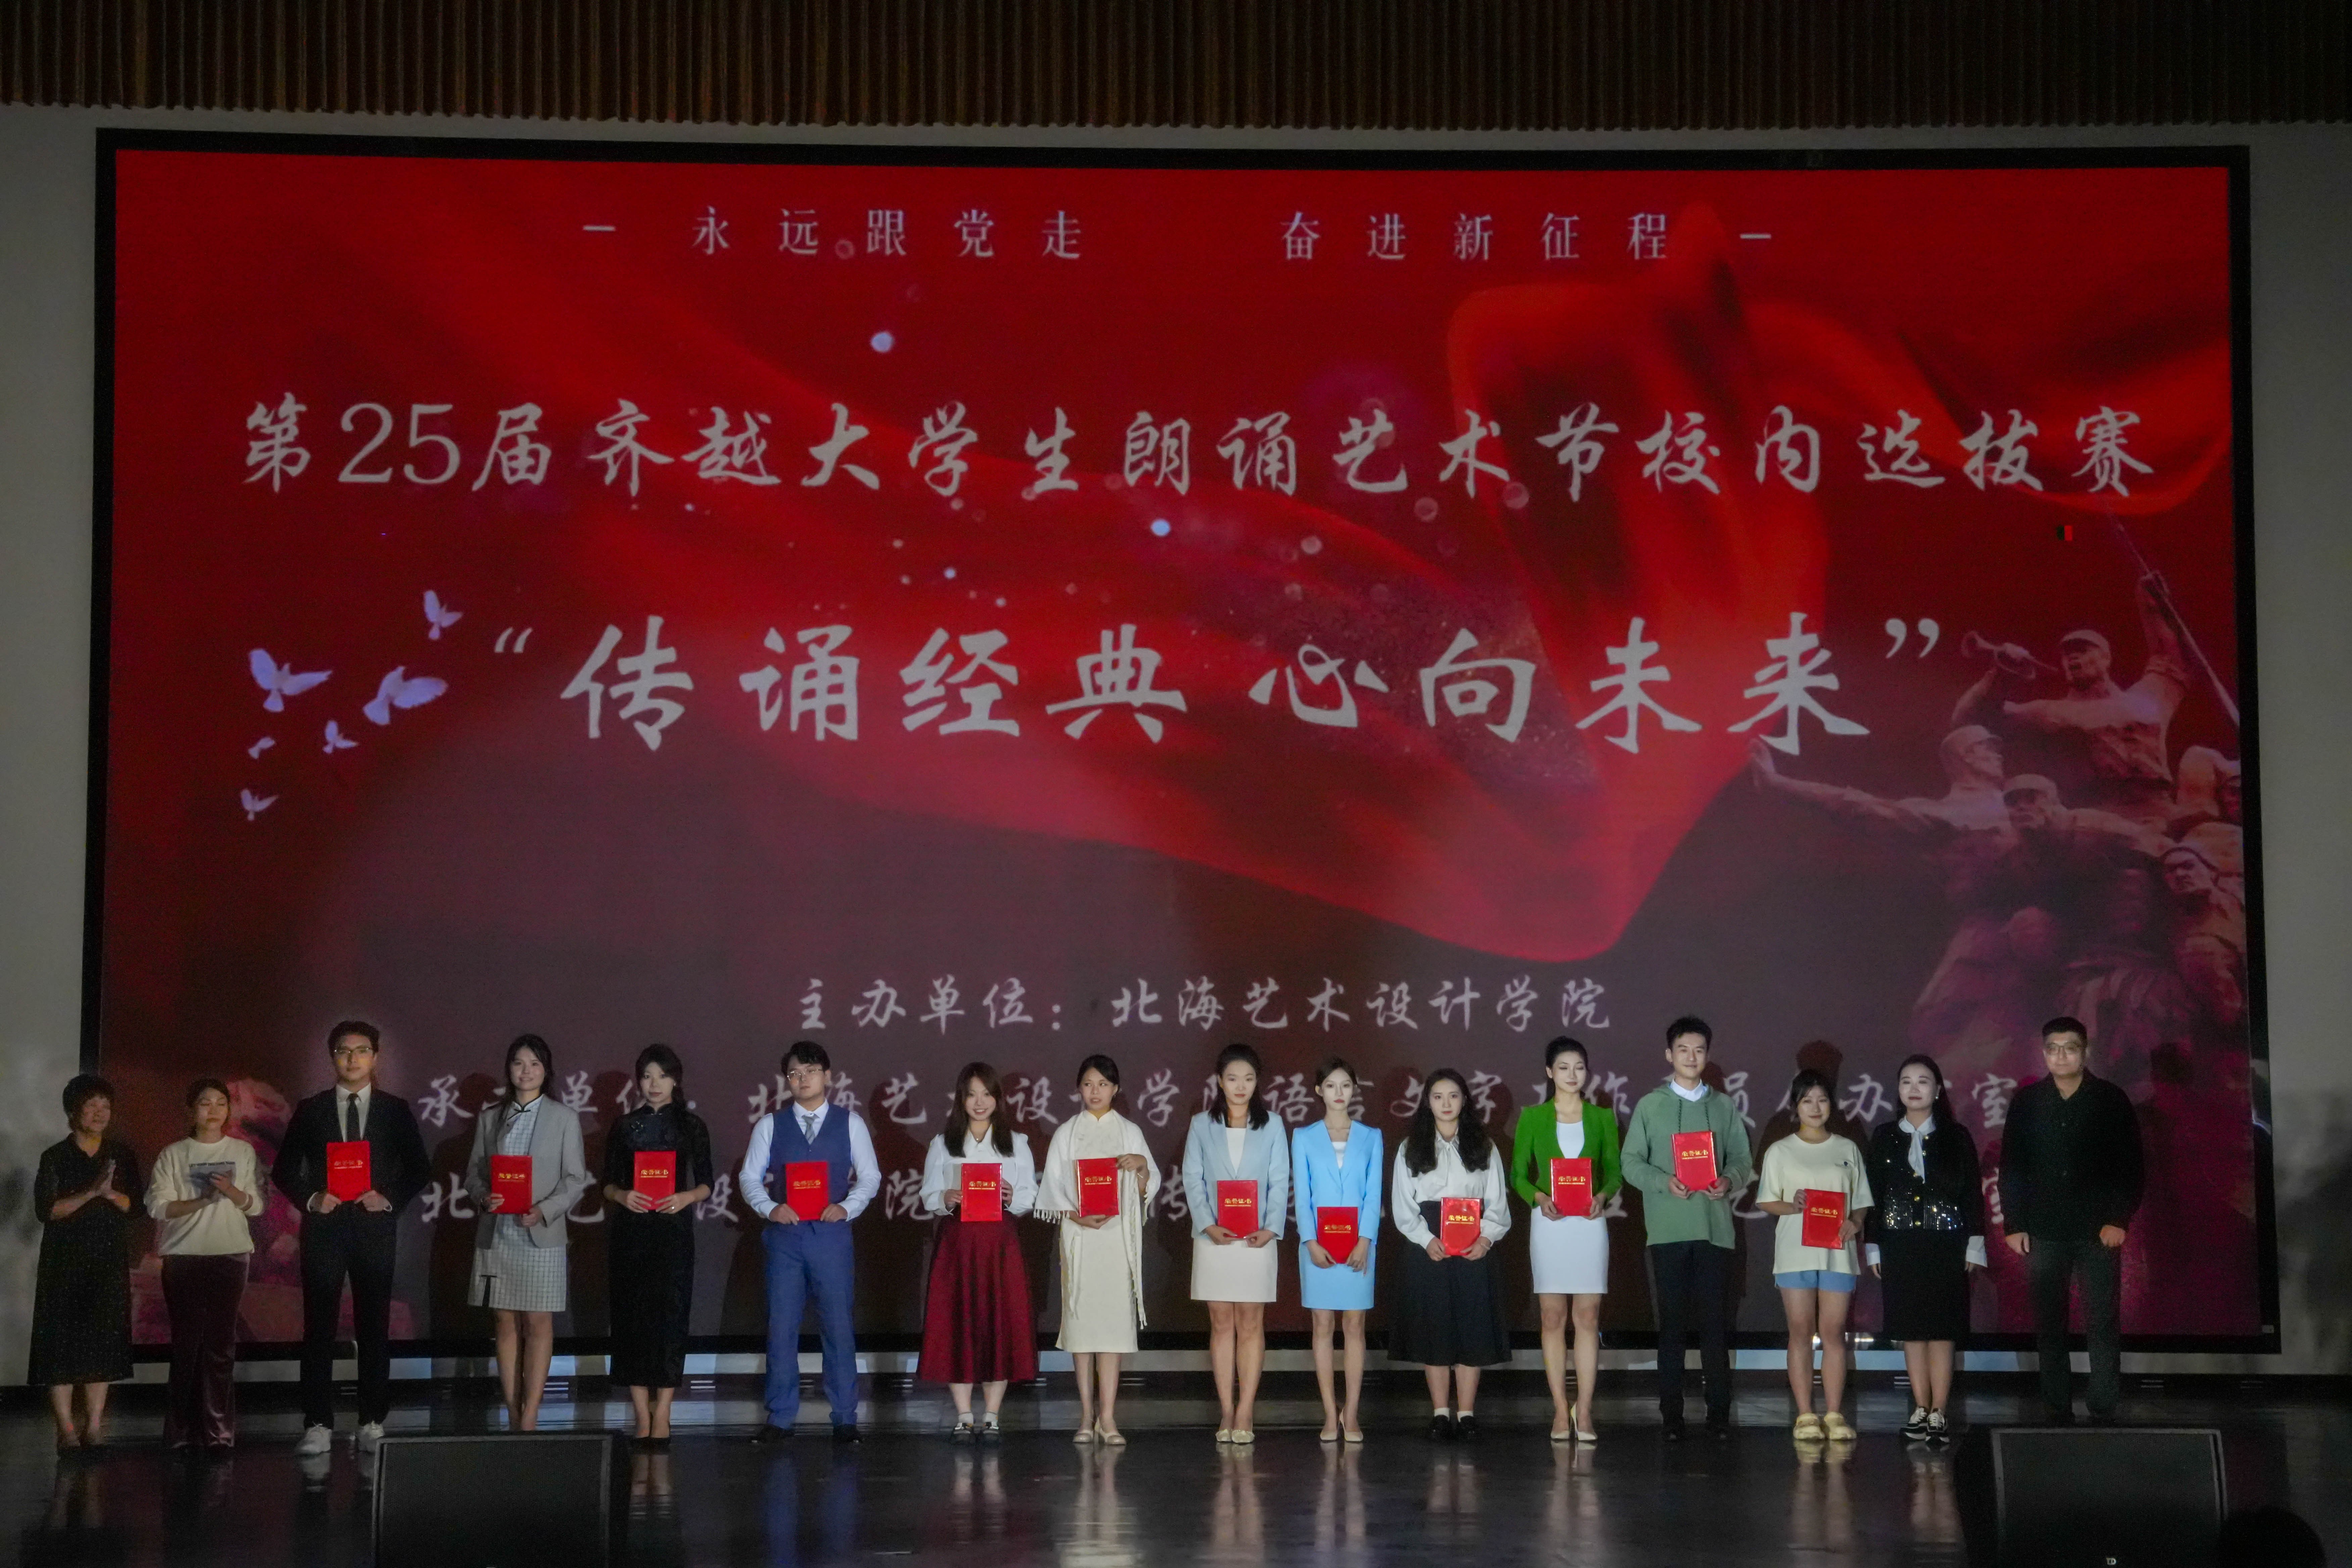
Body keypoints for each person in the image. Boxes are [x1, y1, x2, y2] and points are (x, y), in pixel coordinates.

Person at [271, 1020, 431, 1457]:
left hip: (373, 1229)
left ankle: (372, 1420)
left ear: (375, 1057)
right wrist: (312, 1198)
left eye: (361, 1051)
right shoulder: (312, 1109)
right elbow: (284, 1170)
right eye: (344, 1051)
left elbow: (419, 1168)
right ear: (333, 1057)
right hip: (324, 1229)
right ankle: (318, 1423)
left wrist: (388, 1197)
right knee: (319, 1328)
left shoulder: (394, 1109)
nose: (353, 1059)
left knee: (374, 1326)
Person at [1953, 574, 2192, 829]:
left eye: (2083, 651)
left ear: (2107, 658)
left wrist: (2151, 604)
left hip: (2165, 813)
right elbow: (1971, 720)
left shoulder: (2148, 697)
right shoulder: (2052, 713)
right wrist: (2002, 674)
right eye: (2067, 654)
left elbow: (2170, 658)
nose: (2072, 658)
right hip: (2101, 820)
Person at [2000, 1016, 2145, 1423]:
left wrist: (2118, 1218)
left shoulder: (2110, 1099)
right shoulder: (2028, 1102)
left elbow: (2131, 1164)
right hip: (2044, 1229)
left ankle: (2104, 1403)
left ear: (2086, 1052)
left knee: (2102, 1320)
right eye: (2053, 1048)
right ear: (2044, 1053)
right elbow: (2012, 1165)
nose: (2061, 1056)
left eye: (2070, 1048)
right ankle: (2056, 1405)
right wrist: (2014, 1223)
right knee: (2050, 1324)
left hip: (2099, 1230)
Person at [1621, 1015, 1755, 1440]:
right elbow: (1630, 1163)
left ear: (1707, 1055)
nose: (1691, 1057)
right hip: (1667, 1231)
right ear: (1670, 1055)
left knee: (1715, 1327)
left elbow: (1743, 1159)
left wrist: (1729, 1180)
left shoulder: (1723, 1106)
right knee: (1673, 1327)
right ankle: (1672, 1416)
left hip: (1714, 1231)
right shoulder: (1651, 1106)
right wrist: (1664, 1182)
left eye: (1699, 1050)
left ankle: (1719, 1415)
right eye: (1683, 1049)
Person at [740, 1040, 881, 1443]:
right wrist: (770, 1208)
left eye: (811, 1071)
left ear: (828, 1076)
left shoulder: (850, 1123)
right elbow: (750, 1177)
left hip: (831, 1237)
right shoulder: (770, 1125)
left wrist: (847, 1207)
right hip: (785, 1238)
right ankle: (780, 1417)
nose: (803, 1080)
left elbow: (870, 1176)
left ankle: (845, 1416)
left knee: (838, 1327)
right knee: (782, 1328)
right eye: (795, 1074)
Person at [461, 1034, 592, 1432]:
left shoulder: (563, 1117)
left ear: (546, 1070)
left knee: (538, 1322)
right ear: (509, 1069)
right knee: (504, 1322)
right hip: (499, 1231)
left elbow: (575, 1178)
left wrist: (545, 1210)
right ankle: (513, 1411)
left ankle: (531, 1414)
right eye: (519, 1063)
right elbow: (474, 1174)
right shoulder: (491, 1118)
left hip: (541, 1231)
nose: (526, 1071)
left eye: (535, 1063)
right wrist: (484, 1196)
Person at [1864, 1055, 1986, 1445]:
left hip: (1946, 1244)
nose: (1914, 1088)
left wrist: (1974, 1243)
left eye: (1923, 1081)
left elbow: (1972, 1193)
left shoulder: (1956, 1136)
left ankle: (1939, 1412)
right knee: (1911, 1330)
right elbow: (1874, 1194)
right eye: (1906, 1081)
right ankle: (1920, 1407)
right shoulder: (1884, 1135)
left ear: (1937, 1090)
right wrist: (1873, 1246)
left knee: (1942, 1330)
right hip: (1899, 1244)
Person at [917, 1062, 1040, 1440]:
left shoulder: (1016, 1142)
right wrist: (946, 1197)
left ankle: (992, 1414)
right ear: (961, 1099)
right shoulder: (944, 1143)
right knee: (958, 1323)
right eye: (971, 1094)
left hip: (1000, 1244)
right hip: (958, 1244)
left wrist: (1012, 1196)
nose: (980, 1102)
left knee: (998, 1324)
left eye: (987, 1094)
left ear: (998, 1098)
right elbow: (928, 1195)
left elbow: (1031, 1195)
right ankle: (964, 1414)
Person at [1038, 1054, 1157, 1444]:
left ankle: (1108, 1416)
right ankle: (1086, 1415)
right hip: (1081, 1238)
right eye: (1089, 1084)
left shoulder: (1129, 1132)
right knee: (1084, 1328)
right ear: (1079, 1088)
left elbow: (1148, 1184)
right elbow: (1053, 1186)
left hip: (1117, 1240)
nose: (1095, 1091)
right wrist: (1075, 1215)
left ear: (1116, 1089)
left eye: (1103, 1084)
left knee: (1111, 1329)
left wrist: (1141, 1166)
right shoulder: (1067, 1133)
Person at [1509, 1036, 1621, 1443]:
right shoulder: (1533, 1117)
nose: (1573, 1075)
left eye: (1579, 1067)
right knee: (1552, 1317)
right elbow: (1518, 1174)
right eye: (1564, 1067)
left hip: (1589, 1223)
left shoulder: (1602, 1117)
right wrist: (1539, 1198)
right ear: (1549, 1072)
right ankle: (1560, 1409)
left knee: (1588, 1317)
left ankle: (1585, 1409)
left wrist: (1603, 1196)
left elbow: (1614, 1172)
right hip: (1550, 1223)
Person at [1389, 1068, 1512, 1441]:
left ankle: (1468, 1413)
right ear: (1427, 1102)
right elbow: (1403, 1205)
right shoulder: (1411, 1147)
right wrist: (1425, 1239)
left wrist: (1486, 1239)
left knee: (1472, 1327)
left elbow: (1497, 1202)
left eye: (1454, 1096)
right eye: (1438, 1096)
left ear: (1465, 1101)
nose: (1446, 1104)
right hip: (1428, 1246)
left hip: (1474, 1244)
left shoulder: (1483, 1145)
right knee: (1435, 1326)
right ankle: (1441, 1413)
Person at [602, 1043, 716, 1447]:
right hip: (631, 1234)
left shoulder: (691, 1125)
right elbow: (607, 1183)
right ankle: (640, 1413)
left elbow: (707, 1182)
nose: (654, 1084)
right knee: (631, 1320)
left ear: (675, 1080)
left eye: (662, 1076)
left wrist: (686, 1197)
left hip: (672, 1234)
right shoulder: (624, 1126)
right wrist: (622, 1195)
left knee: (670, 1318)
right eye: (647, 1076)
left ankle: (664, 1411)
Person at [146, 1077, 268, 1452]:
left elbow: (256, 1206)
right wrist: (202, 1200)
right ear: (191, 1110)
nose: (213, 1110)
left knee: (221, 1345)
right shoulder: (174, 1154)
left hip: (230, 1254)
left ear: (229, 1110)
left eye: (220, 1103)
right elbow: (157, 1206)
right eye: (205, 1103)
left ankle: (218, 1433)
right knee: (187, 1345)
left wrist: (230, 1191)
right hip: (184, 1255)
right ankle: (180, 1432)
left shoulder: (242, 1151)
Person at [1756, 1067, 1874, 1441]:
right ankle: (1806, 1415)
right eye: (1807, 1100)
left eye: (1822, 1099)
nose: (1816, 1106)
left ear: (1831, 1105)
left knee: (1834, 1333)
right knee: (1801, 1332)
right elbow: (1767, 1200)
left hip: (1838, 1253)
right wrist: (1793, 1206)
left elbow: (1861, 1200)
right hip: (1795, 1253)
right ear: (1796, 1106)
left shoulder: (1847, 1148)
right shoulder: (1780, 1150)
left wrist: (1856, 1222)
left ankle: (1835, 1414)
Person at [1181, 1043, 1290, 1444]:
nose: (1240, 1086)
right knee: (1221, 1323)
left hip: (1257, 1239)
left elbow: (1280, 1179)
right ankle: (1226, 1410)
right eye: (1232, 1078)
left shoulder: (1273, 1125)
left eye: (1248, 1078)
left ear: (1257, 1082)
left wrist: (1271, 1227)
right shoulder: (1201, 1125)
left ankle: (1246, 1409)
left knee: (1251, 1322)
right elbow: (1192, 1178)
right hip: (1215, 1238)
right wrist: (1207, 1224)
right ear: (1220, 1082)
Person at [30, 1074, 142, 1452]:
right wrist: (92, 1192)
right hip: (63, 1262)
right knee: (59, 1344)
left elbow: (137, 1207)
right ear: (73, 1111)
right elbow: (48, 1210)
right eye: (91, 1105)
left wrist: (111, 1195)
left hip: (108, 1260)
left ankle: (94, 1425)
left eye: (105, 1106)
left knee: (102, 1343)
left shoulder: (121, 1155)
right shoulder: (55, 1157)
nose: (100, 1113)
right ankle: (65, 1428)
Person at [1290, 1057, 1381, 1444]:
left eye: (1346, 1085)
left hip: (1360, 1245)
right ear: (1319, 1091)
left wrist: (1366, 1239)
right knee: (1323, 1326)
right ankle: (1330, 1412)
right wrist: (1310, 1241)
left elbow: (1373, 1193)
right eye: (1331, 1085)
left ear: (1355, 1089)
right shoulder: (1304, 1137)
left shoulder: (1371, 1136)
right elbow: (1302, 1195)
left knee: (1355, 1326)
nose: (1339, 1092)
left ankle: (1352, 1413)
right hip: (1318, 1247)